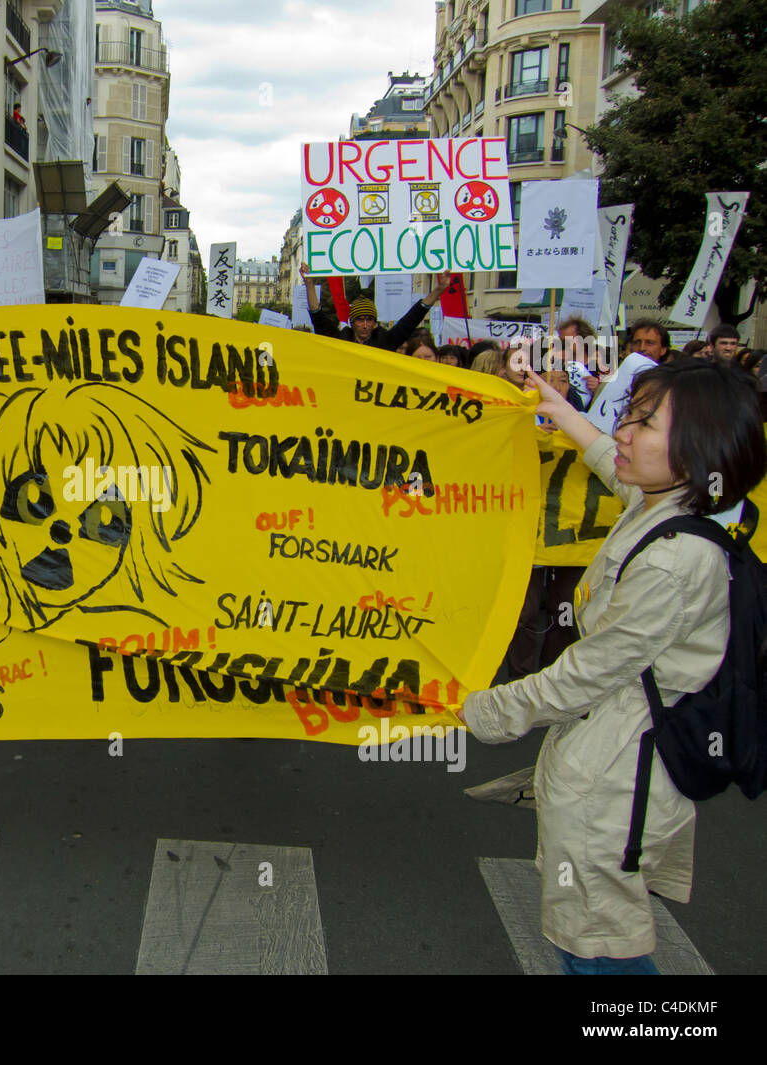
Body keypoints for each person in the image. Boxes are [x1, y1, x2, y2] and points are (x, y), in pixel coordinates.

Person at [460, 358, 766, 974]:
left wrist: (482, 708)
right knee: (593, 930)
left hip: (618, 777)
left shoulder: (674, 563)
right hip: (617, 758)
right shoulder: (672, 508)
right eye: (628, 415)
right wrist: (563, 411)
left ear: (696, 446)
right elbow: (613, 466)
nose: (623, 432)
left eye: (644, 423)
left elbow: (587, 673)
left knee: (597, 945)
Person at [299, 265, 451, 351]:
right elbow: (317, 315)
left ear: (374, 323)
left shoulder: (386, 341)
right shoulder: (341, 340)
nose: (365, 325)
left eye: (369, 320)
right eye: (360, 320)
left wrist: (440, 288)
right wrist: (310, 284)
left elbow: (412, 318)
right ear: (352, 322)